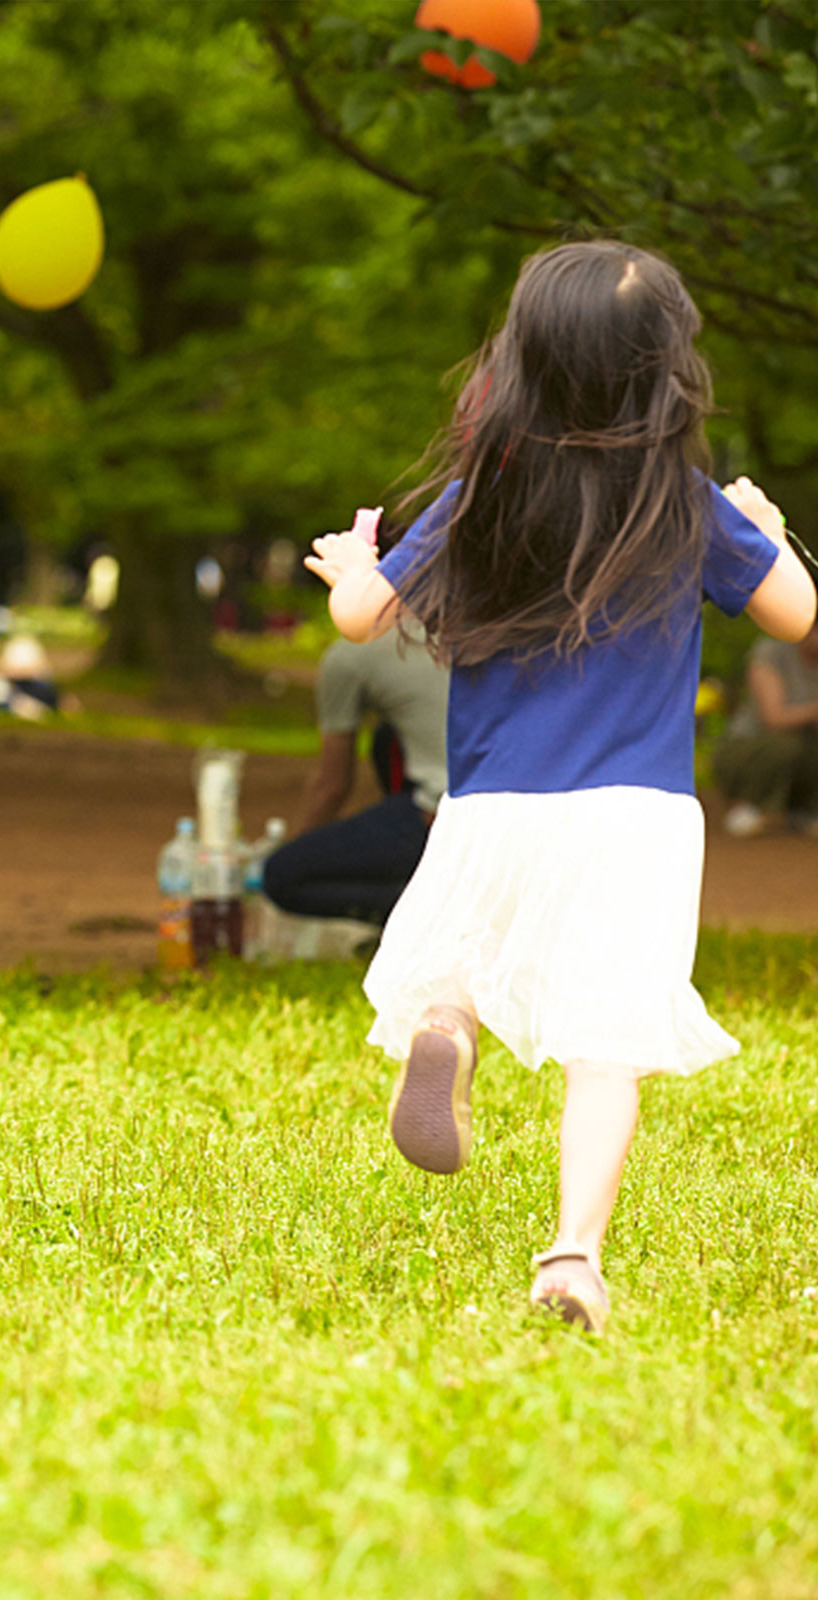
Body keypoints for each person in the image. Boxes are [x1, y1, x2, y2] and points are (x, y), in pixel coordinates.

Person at [304, 241, 816, 1334]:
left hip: (493, 806)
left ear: (524, 361)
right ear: (662, 372)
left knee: (460, 969)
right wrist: (768, 534)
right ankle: (572, 1255)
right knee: (604, 1048)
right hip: (634, 820)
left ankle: (447, 1024)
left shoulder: (482, 492)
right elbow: (795, 614)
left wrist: (354, 566)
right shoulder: (683, 503)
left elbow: (362, 617)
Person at [262, 628, 449, 926]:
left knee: (282, 875)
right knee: (384, 738)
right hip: (514, 810)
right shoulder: (477, 625)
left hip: (439, 816)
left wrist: (302, 845)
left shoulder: (352, 655)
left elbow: (332, 786)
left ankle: (423, 913)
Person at [714, 618, 818, 836]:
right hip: (748, 748)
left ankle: (805, 810)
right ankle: (747, 805)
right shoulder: (772, 652)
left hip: (802, 749)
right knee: (787, 746)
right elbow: (774, 718)